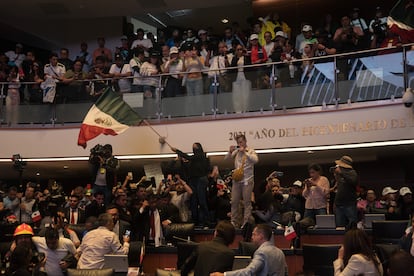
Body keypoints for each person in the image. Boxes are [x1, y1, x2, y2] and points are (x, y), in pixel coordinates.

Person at [210, 224, 287, 276]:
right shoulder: (280, 252)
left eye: (254, 234)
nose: (252, 237)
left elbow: (249, 272)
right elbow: (285, 272)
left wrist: (224, 275)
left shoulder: (261, 252)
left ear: (261, 236)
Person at [171, 143, 210, 227]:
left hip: (199, 180)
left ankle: (205, 220)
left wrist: (177, 151)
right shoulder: (198, 159)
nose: (193, 147)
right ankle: (197, 221)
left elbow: (189, 157)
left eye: (195, 146)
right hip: (195, 180)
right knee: (195, 202)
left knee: (201, 201)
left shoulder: (200, 156)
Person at [226, 134, 259, 228]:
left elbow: (256, 160)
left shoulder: (251, 151)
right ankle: (234, 221)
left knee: (247, 202)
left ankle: (246, 223)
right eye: (238, 142)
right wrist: (230, 151)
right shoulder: (236, 152)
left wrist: (245, 152)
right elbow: (226, 158)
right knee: (234, 201)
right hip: (237, 180)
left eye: (241, 142)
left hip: (247, 181)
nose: (239, 144)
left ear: (245, 141)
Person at [333, 156, 358, 229]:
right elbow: (340, 189)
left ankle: (352, 239)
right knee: (339, 227)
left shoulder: (352, 172)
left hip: (349, 203)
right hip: (339, 203)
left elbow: (354, 182)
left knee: (352, 225)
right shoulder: (339, 174)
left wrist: (342, 173)